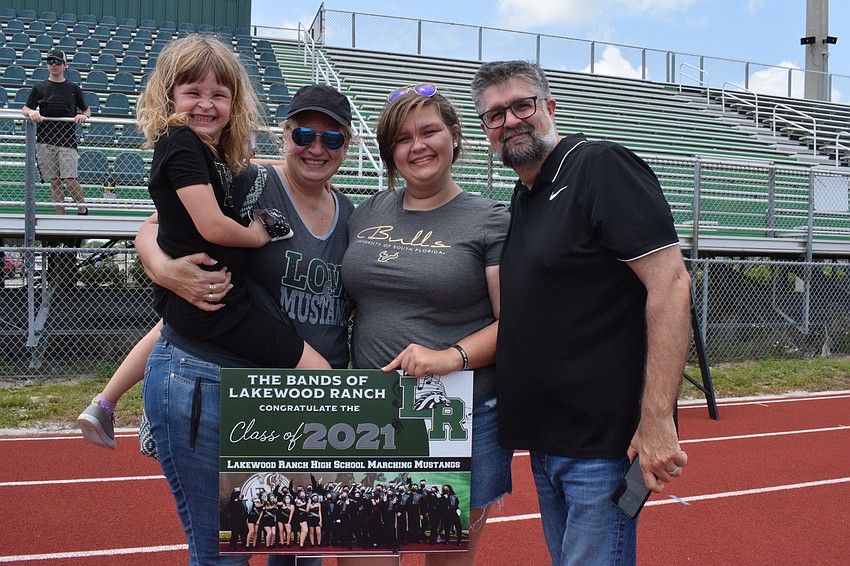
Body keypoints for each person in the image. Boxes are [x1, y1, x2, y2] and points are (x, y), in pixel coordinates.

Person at [470, 60, 693, 566]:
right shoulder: (526, 193)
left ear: (550, 107)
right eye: (495, 115)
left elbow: (672, 284)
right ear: (485, 131)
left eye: (521, 105)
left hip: (600, 443)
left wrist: (656, 418)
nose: (510, 121)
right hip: (549, 438)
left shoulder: (599, 166)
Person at [134, 80, 355, 565]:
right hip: (235, 387)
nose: (317, 148)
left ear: (347, 145)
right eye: (304, 135)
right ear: (284, 134)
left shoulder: (352, 215)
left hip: (309, 406)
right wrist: (164, 269)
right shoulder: (248, 180)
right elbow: (154, 226)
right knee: (226, 554)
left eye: (332, 138)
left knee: (304, 552)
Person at [341, 83, 512, 566]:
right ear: (389, 151)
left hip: (458, 413)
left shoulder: (488, 219)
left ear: (455, 136)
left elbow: (515, 322)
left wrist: (447, 357)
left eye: (429, 131)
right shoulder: (367, 212)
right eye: (402, 138)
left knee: (444, 555)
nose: (416, 146)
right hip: (371, 414)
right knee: (363, 554)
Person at [22, 49, 90, 215]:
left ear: (65, 65)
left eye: (58, 62)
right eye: (50, 62)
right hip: (45, 140)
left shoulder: (73, 88)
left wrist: (83, 116)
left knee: (69, 178)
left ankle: (82, 208)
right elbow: (25, 109)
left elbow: (87, 110)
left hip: (67, 141)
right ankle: (60, 216)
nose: (54, 65)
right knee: (54, 181)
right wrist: (31, 113)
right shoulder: (39, 87)